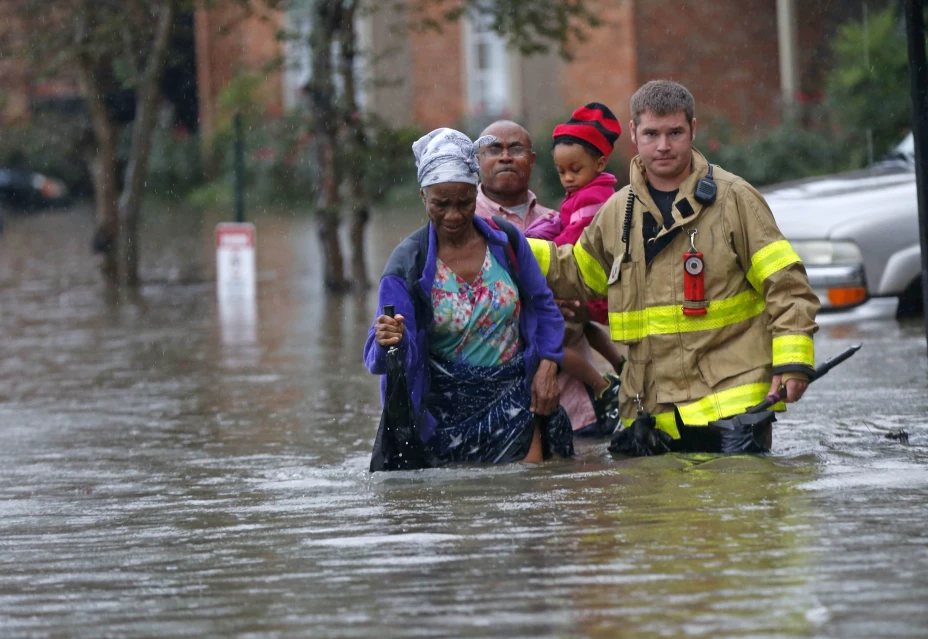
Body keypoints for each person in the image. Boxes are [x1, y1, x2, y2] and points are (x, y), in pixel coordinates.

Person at [527, 80, 820, 454]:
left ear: (693, 130)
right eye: (651, 134)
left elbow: (787, 285)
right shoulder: (618, 211)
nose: (663, 146)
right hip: (650, 412)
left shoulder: (735, 199)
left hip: (734, 412)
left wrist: (794, 361)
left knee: (742, 508)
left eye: (675, 133)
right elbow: (581, 274)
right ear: (634, 133)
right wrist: (511, 246)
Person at [363, 128, 574, 464]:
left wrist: (549, 363)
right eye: (440, 204)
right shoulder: (407, 266)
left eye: (464, 202)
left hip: (517, 405)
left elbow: (544, 307)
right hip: (442, 423)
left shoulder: (505, 242)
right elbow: (378, 359)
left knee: (530, 499)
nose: (454, 214)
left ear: (476, 193)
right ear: (422, 196)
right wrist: (391, 339)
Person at [475, 120, 622, 437]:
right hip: (498, 410)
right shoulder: (461, 223)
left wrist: (580, 304)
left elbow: (604, 285)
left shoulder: (558, 220)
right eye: (493, 149)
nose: (505, 157)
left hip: (577, 406)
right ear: (477, 159)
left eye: (515, 148)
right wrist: (537, 302)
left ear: (532, 159)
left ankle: (610, 381)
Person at [550, 103, 629, 436]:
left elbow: (574, 240)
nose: (567, 178)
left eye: (574, 169)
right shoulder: (586, 191)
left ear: (599, 163)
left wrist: (544, 251)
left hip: (587, 282)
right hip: (593, 286)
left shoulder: (593, 197)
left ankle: (600, 386)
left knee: (552, 345)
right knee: (585, 327)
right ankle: (619, 364)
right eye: (561, 171)